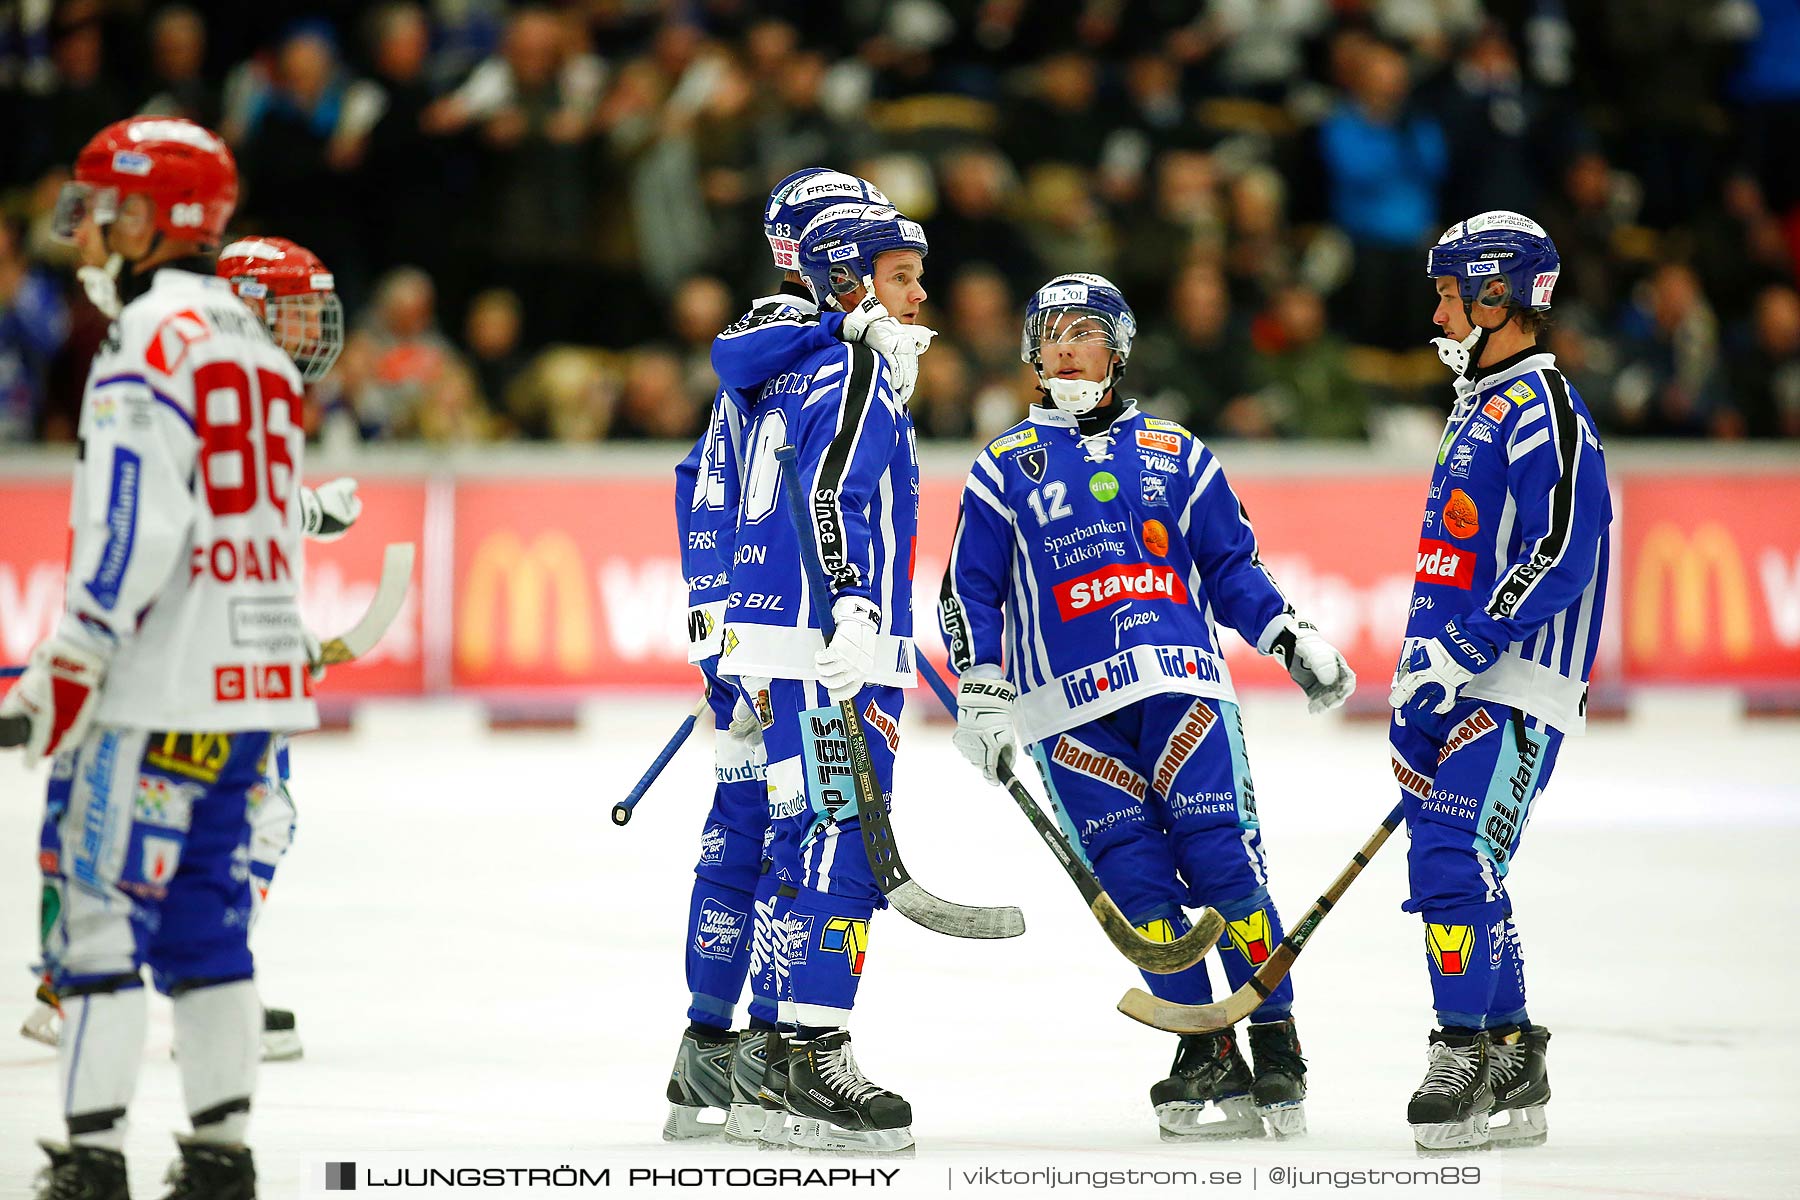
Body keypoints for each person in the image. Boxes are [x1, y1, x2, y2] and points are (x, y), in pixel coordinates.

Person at [938, 273, 1355, 1141]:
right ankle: (1202, 1051)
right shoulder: (1001, 465)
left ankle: (1276, 1035)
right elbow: (966, 590)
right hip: (1067, 714)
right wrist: (980, 690)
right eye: (1048, 334)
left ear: (1119, 349)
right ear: (1030, 353)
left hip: (1180, 687)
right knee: (1133, 890)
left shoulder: (1177, 449)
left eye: (1084, 332)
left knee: (1223, 866)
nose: (1065, 348)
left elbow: (1233, 565)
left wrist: (1288, 634)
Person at [2, 117, 315, 1199]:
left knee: (96, 918)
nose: (83, 227)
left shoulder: (144, 345)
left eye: (99, 204)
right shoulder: (258, 342)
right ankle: (221, 1155)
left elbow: (135, 528)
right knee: (209, 929)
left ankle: (92, 1159)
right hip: (252, 700)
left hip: (155, 692)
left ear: (148, 215)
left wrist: (71, 661)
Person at [662, 170, 929, 1146]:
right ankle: (791, 1050)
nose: (916, 294)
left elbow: (702, 489)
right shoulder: (834, 355)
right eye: (897, 270)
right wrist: (863, 605)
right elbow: (832, 498)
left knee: (745, 840)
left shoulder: (768, 355)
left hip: (749, 638)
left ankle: (709, 1048)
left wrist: (713, 633)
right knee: (815, 840)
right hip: (810, 645)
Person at [1390, 211, 1611, 1152]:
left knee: (1447, 855)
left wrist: (1468, 648)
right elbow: (1449, 559)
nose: (1436, 311)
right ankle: (1514, 1049)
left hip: (1518, 682)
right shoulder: (1480, 402)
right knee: (1467, 864)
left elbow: (1566, 544)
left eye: (1448, 292)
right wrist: (1421, 668)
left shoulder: (1542, 405)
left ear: (1497, 296)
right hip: (1460, 682)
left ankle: (1466, 1049)